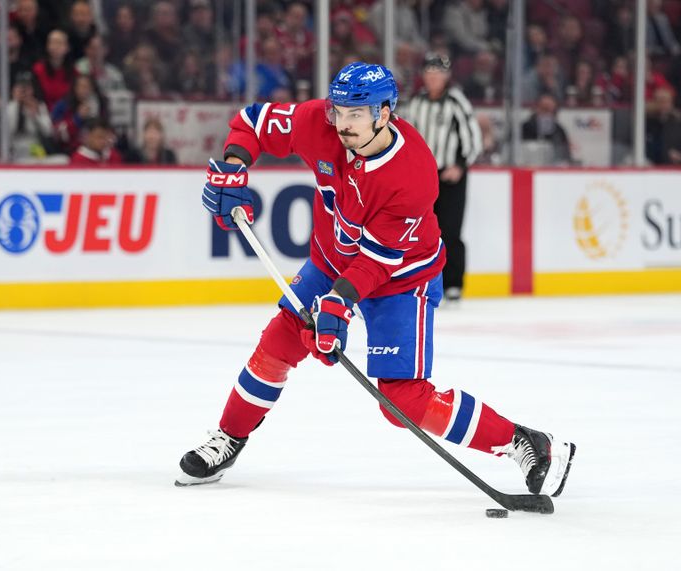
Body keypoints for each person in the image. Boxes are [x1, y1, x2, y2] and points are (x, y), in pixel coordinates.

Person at [176, 62, 576, 498]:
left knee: (401, 399)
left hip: (401, 280)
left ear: (384, 113)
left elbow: (376, 263)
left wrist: (337, 305)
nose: (342, 123)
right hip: (329, 263)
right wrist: (235, 163)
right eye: (338, 111)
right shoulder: (320, 121)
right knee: (278, 342)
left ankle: (525, 442)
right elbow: (252, 122)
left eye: (355, 114)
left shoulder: (413, 172)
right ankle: (229, 437)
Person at [403, 53, 483, 303]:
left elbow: (473, 138)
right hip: (423, 176)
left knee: (450, 229)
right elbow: (407, 137)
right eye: (429, 72)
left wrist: (460, 165)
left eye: (438, 73)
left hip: (450, 177)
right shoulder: (416, 103)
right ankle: (419, 279)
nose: (433, 77)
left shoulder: (457, 102)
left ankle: (452, 283)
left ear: (446, 77)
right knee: (421, 230)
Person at [521, 93, 572, 165]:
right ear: (536, 109)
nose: (547, 114)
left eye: (552, 111)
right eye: (544, 109)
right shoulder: (523, 128)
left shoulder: (558, 130)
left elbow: (564, 156)